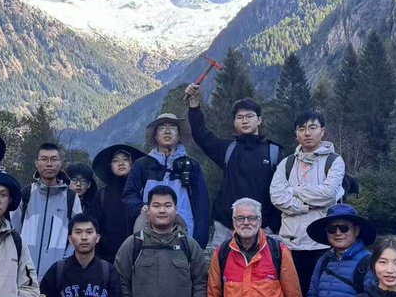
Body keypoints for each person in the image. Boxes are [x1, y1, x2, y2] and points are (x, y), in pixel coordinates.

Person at [115, 185, 208, 297]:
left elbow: (201, 283)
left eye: (167, 205)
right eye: (156, 205)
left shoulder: (190, 246)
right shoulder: (132, 244)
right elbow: (119, 283)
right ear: (148, 210)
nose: (162, 210)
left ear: (176, 209)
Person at [184, 85, 283, 249]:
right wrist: (194, 105)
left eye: (250, 116)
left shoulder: (274, 152)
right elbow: (201, 135)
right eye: (240, 117)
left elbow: (282, 191)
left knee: (263, 274)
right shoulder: (228, 149)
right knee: (222, 273)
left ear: (259, 120)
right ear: (234, 122)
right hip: (226, 228)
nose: (245, 120)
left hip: (263, 228)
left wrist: (273, 225)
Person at [269, 110, 346, 297]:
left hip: (323, 243)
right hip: (290, 244)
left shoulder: (334, 161)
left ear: (323, 131)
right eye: (302, 129)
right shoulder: (286, 164)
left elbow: (328, 194)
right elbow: (277, 197)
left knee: (322, 296)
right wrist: (307, 206)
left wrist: (294, 190)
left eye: (313, 127)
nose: (307, 133)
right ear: (296, 134)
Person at [123, 112, 210, 248]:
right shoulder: (142, 165)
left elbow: (202, 203)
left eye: (173, 127)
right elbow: (129, 194)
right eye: (162, 127)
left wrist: (200, 241)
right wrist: (141, 208)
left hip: (185, 230)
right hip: (149, 229)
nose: (168, 131)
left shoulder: (191, 165)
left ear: (179, 135)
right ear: (155, 135)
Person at [39, 213, 126, 297]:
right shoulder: (58, 270)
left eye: (89, 232)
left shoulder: (108, 271)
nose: (84, 237)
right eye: (78, 232)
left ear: (97, 238)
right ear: (70, 238)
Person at [13, 143, 82, 280]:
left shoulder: (70, 198)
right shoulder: (26, 194)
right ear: (36, 163)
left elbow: (79, 233)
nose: (49, 164)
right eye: (44, 159)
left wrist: (66, 262)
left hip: (57, 275)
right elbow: (13, 230)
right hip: (24, 273)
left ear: (60, 163)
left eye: (53, 159)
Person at [91, 144, 145, 263]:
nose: (121, 163)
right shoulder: (102, 195)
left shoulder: (143, 192)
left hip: (140, 258)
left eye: (125, 159)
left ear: (133, 163)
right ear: (110, 166)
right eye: (116, 160)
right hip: (108, 259)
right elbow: (93, 227)